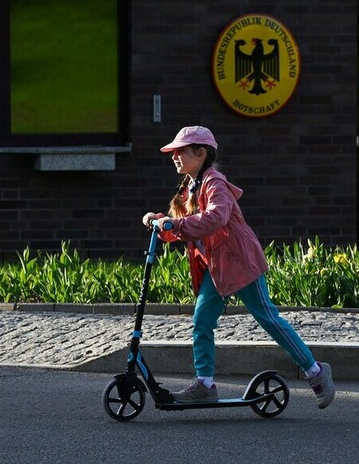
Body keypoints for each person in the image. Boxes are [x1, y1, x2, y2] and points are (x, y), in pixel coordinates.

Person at [141, 125, 335, 409]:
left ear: (201, 153)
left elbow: (216, 217)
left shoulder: (214, 182)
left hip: (240, 262)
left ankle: (315, 372)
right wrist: (158, 222)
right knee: (202, 321)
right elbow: (180, 228)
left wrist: (175, 224)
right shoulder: (189, 188)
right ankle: (205, 384)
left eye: (180, 151)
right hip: (216, 268)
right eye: (173, 152)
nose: (174, 156)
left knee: (268, 318)